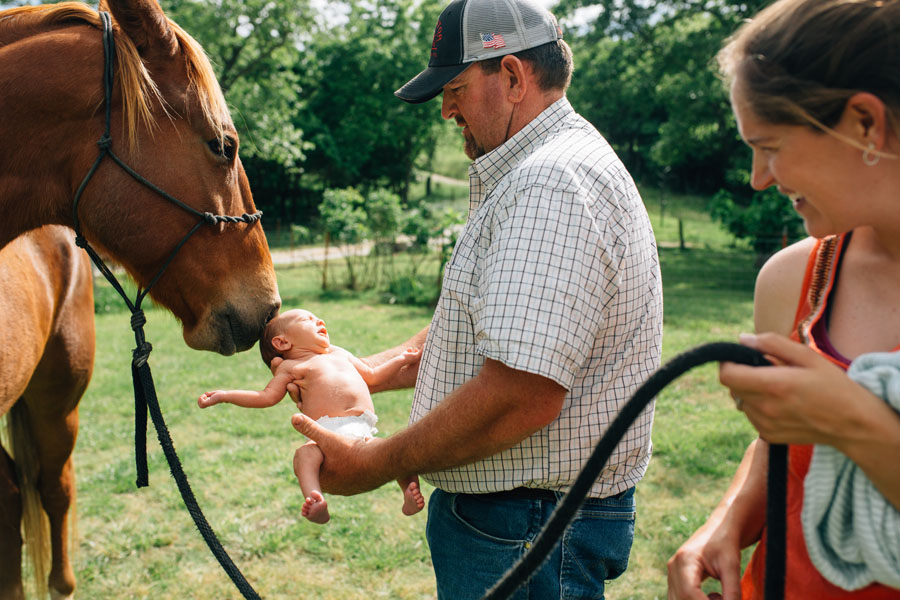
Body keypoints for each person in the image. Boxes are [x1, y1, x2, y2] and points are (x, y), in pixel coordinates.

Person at [289, 0, 663, 596]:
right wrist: (363, 372)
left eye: (456, 88)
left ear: (513, 77)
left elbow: (520, 394)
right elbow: (498, 326)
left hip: (524, 526)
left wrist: (376, 461)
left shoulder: (548, 182)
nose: (445, 110)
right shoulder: (544, 166)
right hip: (525, 522)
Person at [666, 0, 900, 598]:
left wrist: (853, 421)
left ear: (865, 124)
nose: (758, 178)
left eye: (769, 145)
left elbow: (828, 424)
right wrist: (729, 520)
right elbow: (784, 445)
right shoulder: (795, 280)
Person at [198, 308, 424, 524]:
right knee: (304, 455)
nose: (320, 321)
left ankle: (408, 494)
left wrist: (401, 360)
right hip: (323, 434)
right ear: (282, 342)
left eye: (318, 318)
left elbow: (373, 376)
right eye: (308, 319)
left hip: (361, 430)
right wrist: (225, 395)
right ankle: (315, 498)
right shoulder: (291, 367)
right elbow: (265, 397)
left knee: (398, 450)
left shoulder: (340, 354)